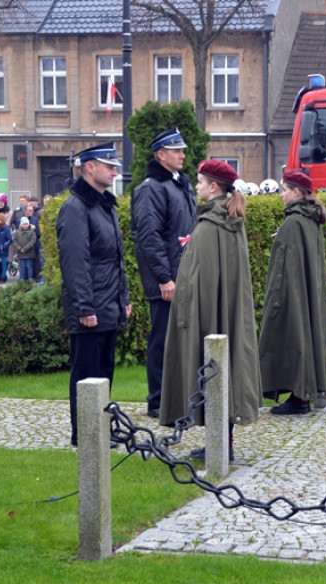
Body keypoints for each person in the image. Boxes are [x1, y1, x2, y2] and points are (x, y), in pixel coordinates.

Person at [159, 159, 261, 442]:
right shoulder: (228, 220)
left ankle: (219, 444)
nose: (197, 187)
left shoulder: (211, 224)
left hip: (207, 316)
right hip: (221, 312)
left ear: (213, 187)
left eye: (201, 183)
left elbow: (199, 281)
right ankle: (221, 440)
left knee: (213, 367)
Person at [55, 142, 130, 447]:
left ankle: (100, 427)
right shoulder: (75, 208)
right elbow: (76, 262)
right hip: (89, 307)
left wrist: (123, 298)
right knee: (86, 374)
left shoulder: (104, 204)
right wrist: (85, 306)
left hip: (107, 303)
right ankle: (85, 433)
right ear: (89, 167)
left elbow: (116, 258)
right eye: (108, 166)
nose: (114, 171)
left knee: (104, 372)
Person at [131, 127, 197, 419]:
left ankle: (177, 396)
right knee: (162, 340)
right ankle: (157, 400)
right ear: (161, 155)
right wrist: (163, 278)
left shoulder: (179, 183)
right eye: (176, 150)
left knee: (180, 340)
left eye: (182, 149)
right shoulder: (151, 188)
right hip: (167, 279)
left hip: (183, 273)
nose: (183, 154)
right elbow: (148, 237)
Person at [258, 169, 326, 415]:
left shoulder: (293, 222)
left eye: (285, 190)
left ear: (297, 192)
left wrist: (275, 300)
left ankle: (299, 397)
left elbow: (282, 267)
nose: (281, 195)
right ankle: (301, 394)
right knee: (304, 335)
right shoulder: (310, 219)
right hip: (306, 290)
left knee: (294, 337)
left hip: (292, 293)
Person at [13, 216, 37, 281]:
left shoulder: (32, 232)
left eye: (26, 224)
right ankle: (22, 278)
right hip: (21, 253)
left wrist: (25, 248)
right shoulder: (17, 232)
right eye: (24, 224)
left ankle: (30, 278)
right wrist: (19, 248)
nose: (25, 225)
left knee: (29, 266)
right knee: (22, 267)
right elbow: (14, 241)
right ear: (21, 224)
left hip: (29, 253)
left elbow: (33, 241)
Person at [0, 212, 13, 282]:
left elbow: (10, 239)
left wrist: (4, 246)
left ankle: (3, 277)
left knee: (4, 264)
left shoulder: (6, 228)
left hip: (3, 249)